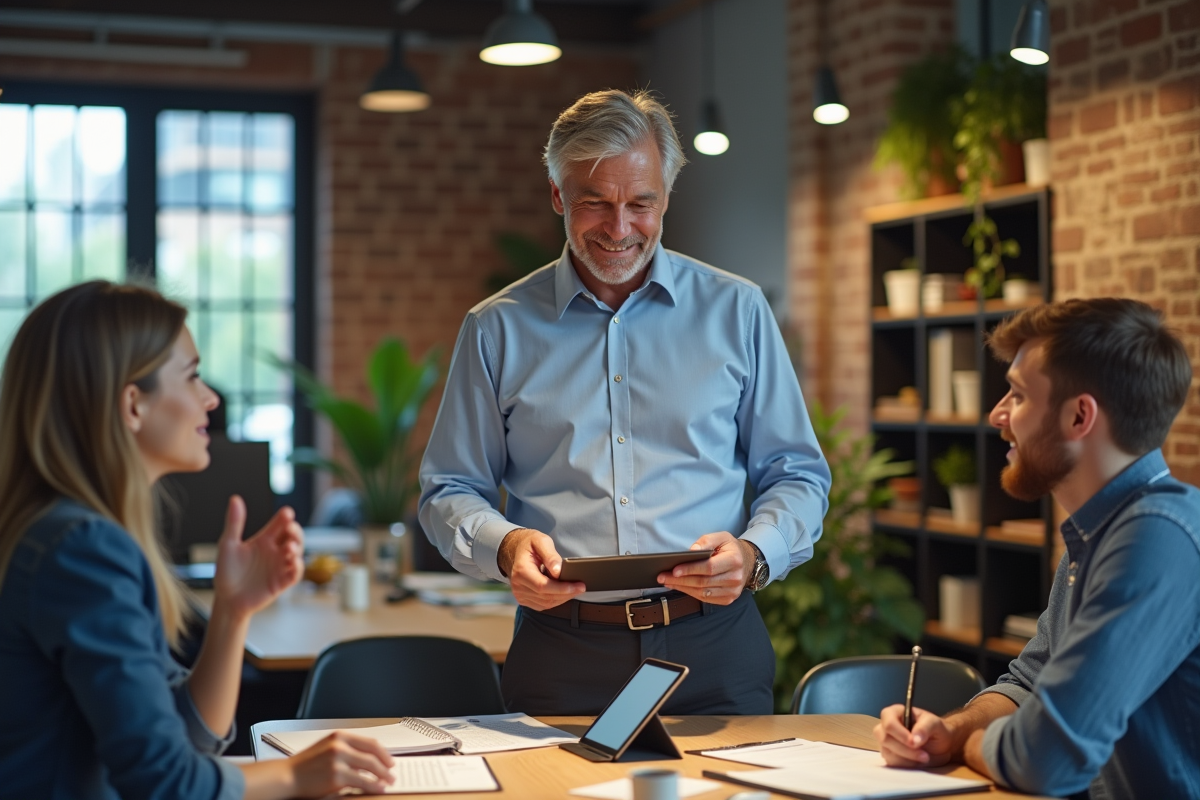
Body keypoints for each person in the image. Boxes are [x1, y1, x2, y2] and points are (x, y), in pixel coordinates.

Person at [419, 89, 831, 715]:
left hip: (715, 648)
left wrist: (755, 553)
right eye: (595, 203)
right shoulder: (495, 328)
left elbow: (797, 473)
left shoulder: (739, 311)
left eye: (641, 203)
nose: (619, 229)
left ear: (666, 197)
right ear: (558, 196)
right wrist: (504, 548)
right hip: (562, 651)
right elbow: (448, 487)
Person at [0, 281, 396, 799]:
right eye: (191, 377)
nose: (210, 399)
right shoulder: (82, 549)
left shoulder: (67, 534)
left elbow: (182, 744)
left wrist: (234, 611)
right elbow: (165, 784)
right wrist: (295, 774)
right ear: (133, 405)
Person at [873, 298, 1199, 799]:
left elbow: (1046, 758)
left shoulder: (1156, 537)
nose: (997, 414)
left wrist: (969, 747)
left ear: (1079, 417)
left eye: (1018, 395)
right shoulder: (1097, 534)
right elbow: (1030, 681)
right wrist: (952, 731)